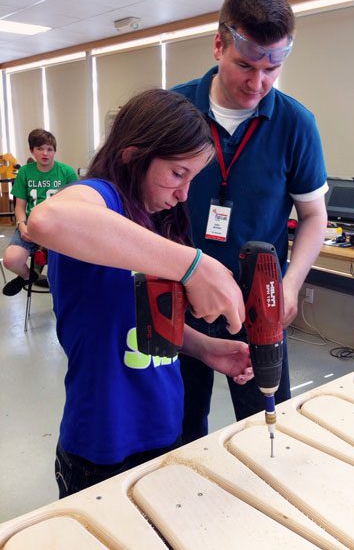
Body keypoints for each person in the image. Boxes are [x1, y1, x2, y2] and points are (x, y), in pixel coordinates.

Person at [28, 89, 253, 498]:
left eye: (193, 178)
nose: (184, 194)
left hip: (165, 427)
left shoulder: (149, 220)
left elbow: (137, 321)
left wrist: (203, 347)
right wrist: (194, 265)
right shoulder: (102, 199)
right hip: (103, 444)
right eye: (177, 174)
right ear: (133, 156)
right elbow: (48, 219)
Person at [173, 0, 328, 443]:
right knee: (181, 423)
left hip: (260, 298)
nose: (257, 84)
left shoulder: (296, 124)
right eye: (245, 65)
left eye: (271, 69)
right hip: (182, 291)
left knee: (267, 419)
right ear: (219, 44)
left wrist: (292, 282)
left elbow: (314, 216)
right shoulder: (173, 111)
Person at [2, 129, 77, 296]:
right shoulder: (25, 172)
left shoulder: (67, 172)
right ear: (32, 150)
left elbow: (75, 207)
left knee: (70, 264)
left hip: (58, 227)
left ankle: (60, 285)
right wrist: (22, 225)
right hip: (30, 225)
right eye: (40, 148)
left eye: (49, 149)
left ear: (54, 151)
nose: (45, 153)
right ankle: (31, 276)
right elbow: (20, 206)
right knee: (11, 260)